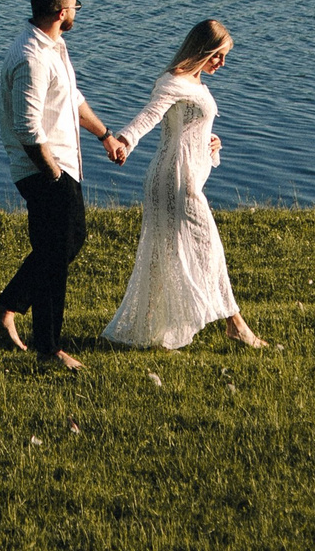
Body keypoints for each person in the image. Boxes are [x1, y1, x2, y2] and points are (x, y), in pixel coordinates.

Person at [0, 0, 126, 371]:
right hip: (44, 170)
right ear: (60, 12)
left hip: (60, 165)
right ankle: (49, 349)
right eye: (75, 5)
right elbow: (28, 128)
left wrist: (106, 137)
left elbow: (72, 100)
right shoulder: (31, 57)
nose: (77, 11)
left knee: (64, 244)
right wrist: (52, 176)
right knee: (55, 254)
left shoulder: (54, 47)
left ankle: (6, 308)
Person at [102, 19, 268, 351]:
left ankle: (143, 330)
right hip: (176, 180)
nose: (221, 64)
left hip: (181, 176)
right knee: (208, 250)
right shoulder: (174, 81)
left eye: (224, 57)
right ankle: (236, 326)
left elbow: (189, 127)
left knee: (165, 253)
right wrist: (124, 141)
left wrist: (211, 140)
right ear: (202, 50)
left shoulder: (195, 83)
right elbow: (150, 116)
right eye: (218, 56)